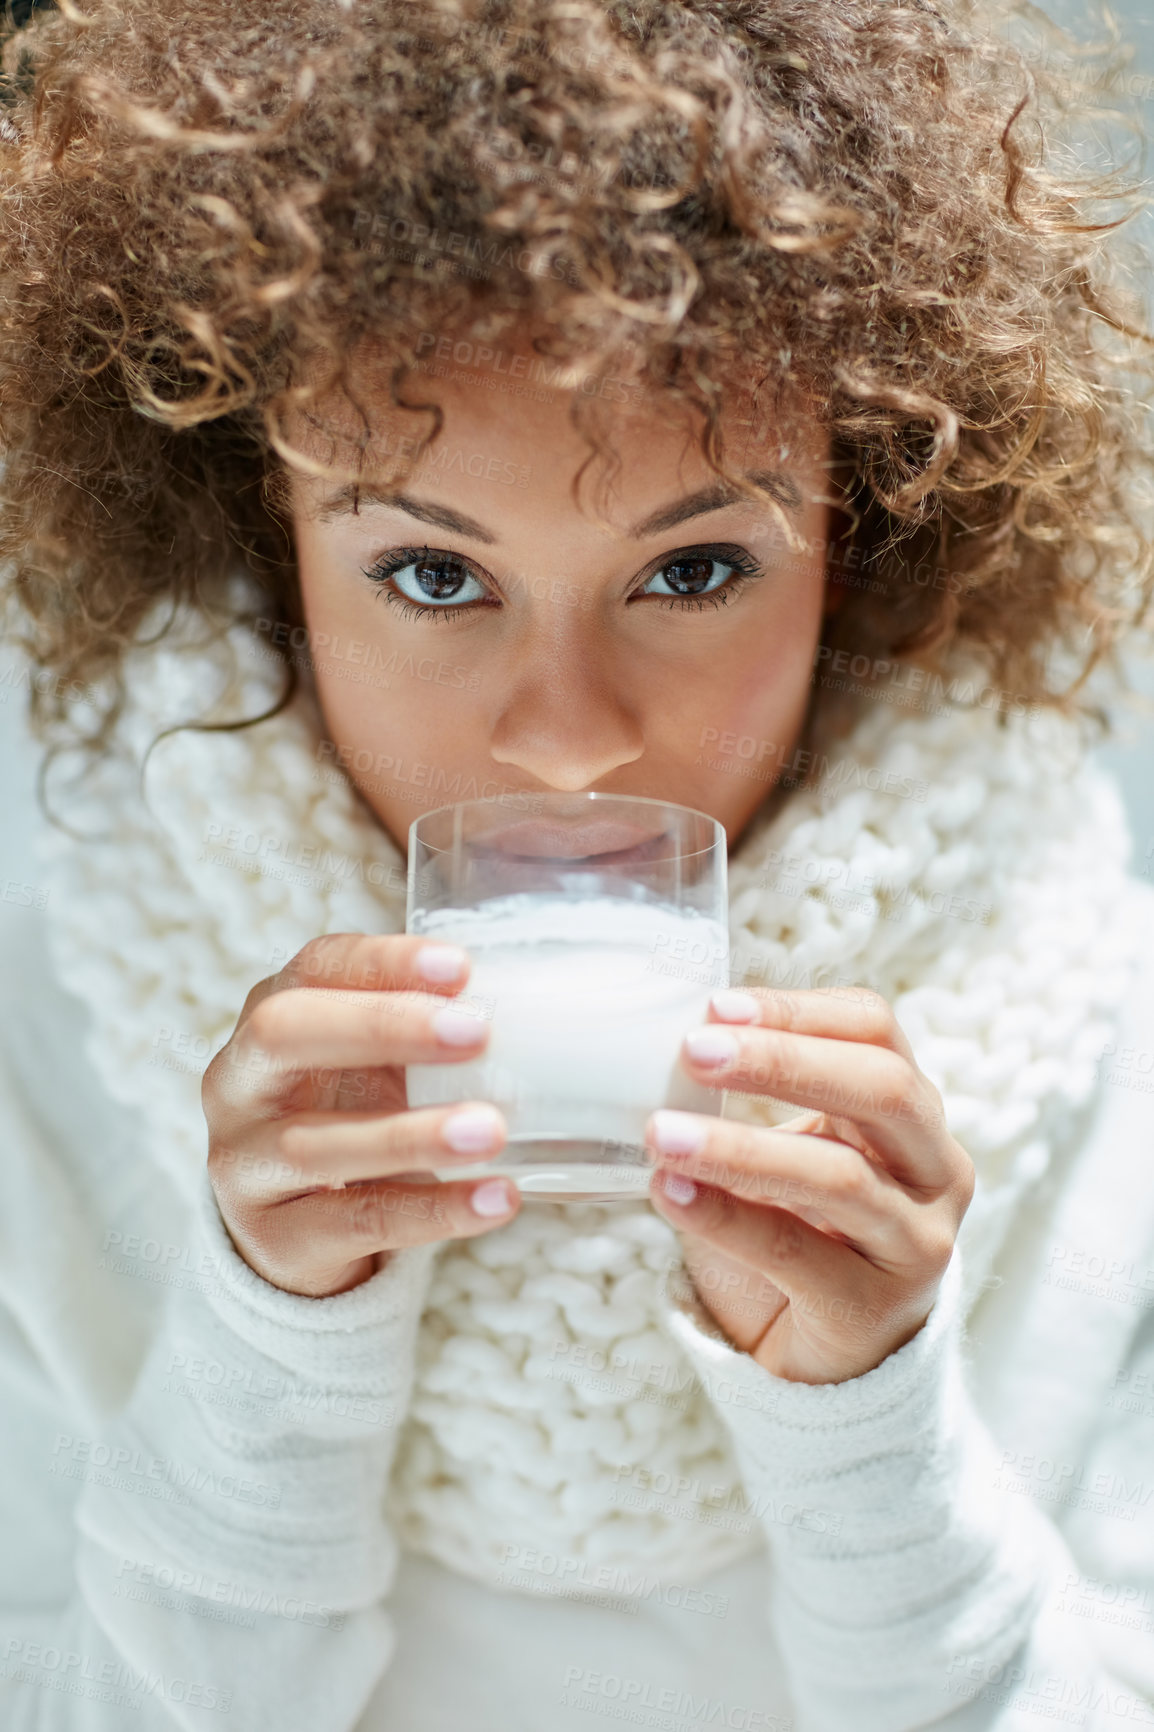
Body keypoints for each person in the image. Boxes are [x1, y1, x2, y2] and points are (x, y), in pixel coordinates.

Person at [1, 0, 1153, 1727]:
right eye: (436, 579)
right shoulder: (41, 1042)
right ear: (266, 546)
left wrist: (869, 1425)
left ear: (873, 534)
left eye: (690, 573)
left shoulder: (1115, 1049)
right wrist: (268, 1348)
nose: (563, 738)